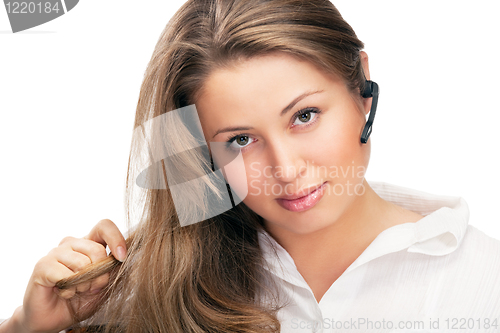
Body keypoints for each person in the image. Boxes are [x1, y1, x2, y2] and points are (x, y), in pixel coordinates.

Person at [1, 0, 499, 332]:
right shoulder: (156, 283)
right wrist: (30, 325)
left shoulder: (482, 281)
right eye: (240, 139)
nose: (285, 169)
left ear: (362, 90)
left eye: (305, 116)